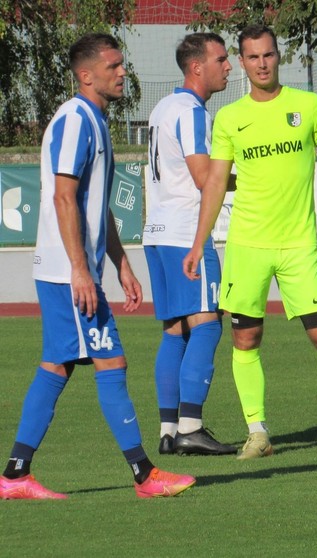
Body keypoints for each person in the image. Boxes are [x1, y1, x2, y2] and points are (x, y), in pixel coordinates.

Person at [0, 33, 195, 500]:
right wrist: (80, 271)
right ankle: (145, 475)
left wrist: (121, 264)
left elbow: (95, 206)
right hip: (67, 274)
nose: (122, 72)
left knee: (58, 366)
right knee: (112, 361)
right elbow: (63, 196)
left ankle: (15, 475)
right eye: (113, 66)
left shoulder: (95, 120)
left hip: (70, 271)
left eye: (121, 64)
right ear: (86, 75)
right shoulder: (73, 121)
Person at [182, 24, 317, 459]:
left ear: (279, 56)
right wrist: (199, 242)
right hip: (248, 247)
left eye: (268, 55)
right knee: (246, 340)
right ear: (242, 63)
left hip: (298, 246)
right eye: (253, 57)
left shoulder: (308, 106)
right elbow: (216, 181)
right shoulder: (231, 118)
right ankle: (257, 431)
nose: (262, 63)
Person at [143, 33, 237, 456]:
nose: (229, 67)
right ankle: (191, 427)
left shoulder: (162, 108)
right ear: (196, 67)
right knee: (208, 324)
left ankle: (168, 430)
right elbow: (206, 180)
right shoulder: (194, 113)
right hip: (186, 234)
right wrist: (255, 178)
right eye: (222, 59)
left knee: (175, 332)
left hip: (156, 232)